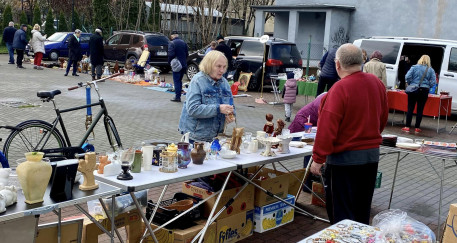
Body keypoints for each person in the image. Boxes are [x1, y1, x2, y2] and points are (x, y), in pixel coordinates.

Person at [310, 43, 388, 225]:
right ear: (362, 61)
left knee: (341, 214)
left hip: (344, 161)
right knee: (361, 210)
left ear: (337, 64)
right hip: (370, 157)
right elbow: (382, 118)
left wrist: (318, 158)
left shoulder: (339, 89)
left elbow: (327, 128)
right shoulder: (376, 83)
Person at [178, 50, 235, 142]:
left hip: (217, 136)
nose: (222, 70)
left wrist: (231, 114)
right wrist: (218, 108)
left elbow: (231, 105)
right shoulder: (198, 81)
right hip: (196, 137)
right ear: (209, 65)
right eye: (219, 66)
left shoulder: (224, 82)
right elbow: (193, 109)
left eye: (224, 67)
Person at [402, 55, 437, 133]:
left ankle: (407, 126)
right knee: (420, 109)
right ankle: (417, 128)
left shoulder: (414, 67)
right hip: (424, 90)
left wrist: (411, 83)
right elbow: (434, 81)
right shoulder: (431, 70)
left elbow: (407, 76)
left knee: (410, 108)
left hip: (413, 89)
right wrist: (428, 86)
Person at [168, 31, 189, 102]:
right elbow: (187, 54)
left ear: (172, 36)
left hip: (177, 65)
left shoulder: (172, 43)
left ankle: (177, 97)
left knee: (176, 80)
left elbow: (171, 54)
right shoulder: (184, 43)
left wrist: (170, 62)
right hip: (184, 64)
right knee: (180, 80)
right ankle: (179, 95)